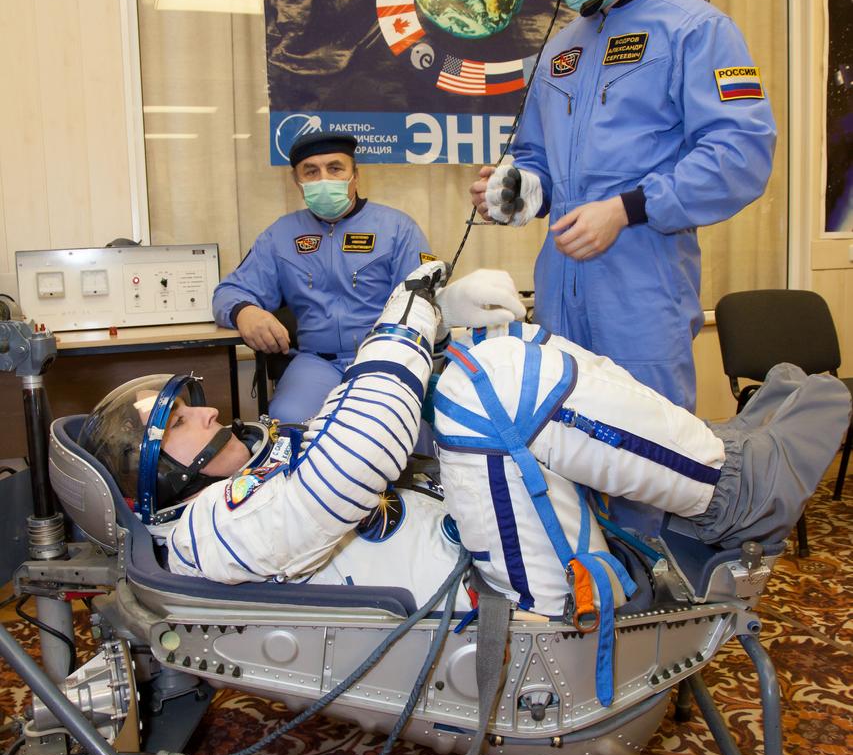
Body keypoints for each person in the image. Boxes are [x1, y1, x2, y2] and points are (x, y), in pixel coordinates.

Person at [80, 266, 850, 640]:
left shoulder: (250, 473)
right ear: (162, 471)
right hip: (522, 629)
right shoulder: (209, 529)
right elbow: (355, 460)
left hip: (497, 571)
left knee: (489, 353)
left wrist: (443, 326)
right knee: (494, 390)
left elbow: (358, 419)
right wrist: (404, 322)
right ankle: (733, 489)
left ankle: (716, 459)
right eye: (183, 420)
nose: (211, 409)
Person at [470, 0, 777, 415]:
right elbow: (539, 157)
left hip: (642, 298)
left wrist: (627, 208)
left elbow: (739, 155)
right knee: (564, 468)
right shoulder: (562, 49)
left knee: (644, 467)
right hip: (559, 298)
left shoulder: (695, 29)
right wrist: (518, 189)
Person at [213, 130, 434, 423]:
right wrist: (245, 312)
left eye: (335, 168)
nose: (324, 179)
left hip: (382, 355)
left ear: (355, 175)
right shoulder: (281, 235)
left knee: (395, 424)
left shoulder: (398, 229)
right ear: (298, 182)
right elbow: (228, 291)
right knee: (289, 419)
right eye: (311, 171)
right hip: (316, 362)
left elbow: (424, 299)